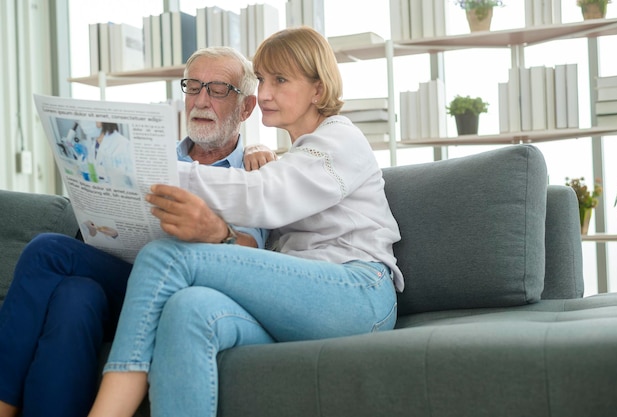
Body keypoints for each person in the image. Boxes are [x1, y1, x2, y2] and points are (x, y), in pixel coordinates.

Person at [87, 26, 404, 417]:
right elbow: (273, 185)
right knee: (188, 308)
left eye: (280, 80)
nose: (265, 92)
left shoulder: (341, 139)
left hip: (358, 293)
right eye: (263, 79)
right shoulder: (291, 156)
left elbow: (262, 195)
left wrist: (150, 168)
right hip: (303, 302)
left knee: (164, 257)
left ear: (318, 90)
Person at [0, 46, 276, 417]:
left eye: (218, 89)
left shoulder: (254, 169)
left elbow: (249, 250)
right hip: (122, 279)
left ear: (246, 108)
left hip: (178, 293)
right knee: (74, 294)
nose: (201, 100)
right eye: (193, 87)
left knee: (51, 257)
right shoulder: (153, 153)